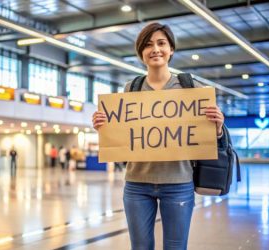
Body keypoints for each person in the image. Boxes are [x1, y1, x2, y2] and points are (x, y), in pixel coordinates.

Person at [92, 22, 225, 249]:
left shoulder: (191, 88)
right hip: (136, 184)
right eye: (148, 44)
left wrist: (218, 127)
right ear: (141, 52)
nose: (155, 49)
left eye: (161, 43)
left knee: (175, 246)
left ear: (171, 49)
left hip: (178, 183)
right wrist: (104, 127)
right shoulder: (130, 88)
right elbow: (125, 136)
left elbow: (209, 137)